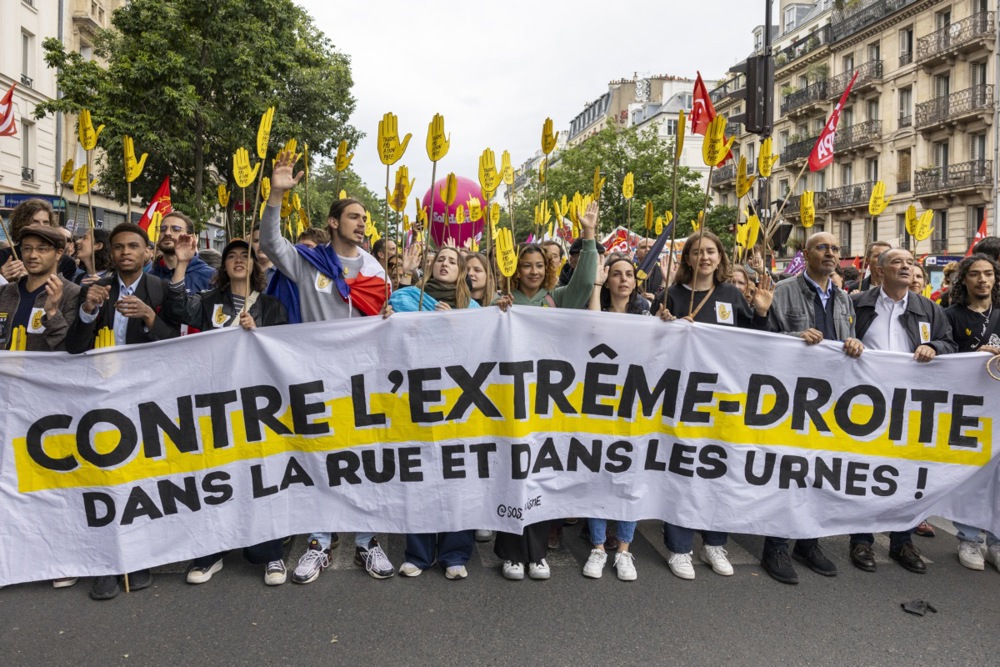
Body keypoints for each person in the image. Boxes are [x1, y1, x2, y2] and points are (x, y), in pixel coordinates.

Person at [260, 150, 394, 584]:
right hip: (316, 379)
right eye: (354, 216)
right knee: (320, 460)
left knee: (365, 460)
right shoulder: (307, 263)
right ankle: (318, 542)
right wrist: (277, 195)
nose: (362, 223)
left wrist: (389, 317)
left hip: (364, 381)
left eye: (365, 218)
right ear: (334, 222)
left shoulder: (376, 272)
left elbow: (384, 322)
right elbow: (270, 244)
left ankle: (367, 541)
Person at [164, 234, 290, 585]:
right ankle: (211, 553)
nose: (238, 260)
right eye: (231, 255)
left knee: (260, 476)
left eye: (244, 255)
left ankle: (270, 553)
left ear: (255, 265)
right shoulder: (208, 302)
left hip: (255, 405)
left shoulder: (271, 307)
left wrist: (259, 332)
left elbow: (284, 351)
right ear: (223, 266)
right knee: (215, 477)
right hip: (214, 403)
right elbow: (175, 309)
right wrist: (182, 264)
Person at [65, 222, 181, 599]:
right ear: (110, 253)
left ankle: (138, 558)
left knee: (140, 481)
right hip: (101, 398)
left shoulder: (161, 290)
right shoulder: (94, 289)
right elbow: (74, 347)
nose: (126, 252)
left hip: (146, 398)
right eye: (118, 247)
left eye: (133, 246)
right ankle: (108, 563)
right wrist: (87, 310)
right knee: (105, 480)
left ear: (148, 252)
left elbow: (178, 349)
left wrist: (149, 316)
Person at [655, 230, 774, 581]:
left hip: (724, 398)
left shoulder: (731, 295)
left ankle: (714, 543)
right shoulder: (670, 296)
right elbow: (650, 345)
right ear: (687, 259)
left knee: (718, 469)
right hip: (681, 398)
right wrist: (666, 327)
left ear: (720, 257)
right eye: (697, 252)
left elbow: (756, 343)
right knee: (681, 471)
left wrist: (762, 313)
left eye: (711, 251)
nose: (705, 257)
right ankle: (679, 547)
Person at [493, 202, 599, 582]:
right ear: (515, 269)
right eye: (526, 265)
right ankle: (511, 553)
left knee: (539, 476)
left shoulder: (558, 298)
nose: (534, 271)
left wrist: (588, 235)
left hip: (546, 401)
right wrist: (496, 311)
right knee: (511, 475)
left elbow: (585, 282)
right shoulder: (501, 302)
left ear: (548, 269)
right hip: (509, 402)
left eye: (540, 265)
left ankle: (536, 554)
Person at [760, 232, 864, 584]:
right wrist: (796, 338)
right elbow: (761, 340)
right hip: (791, 397)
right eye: (823, 248)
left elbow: (847, 340)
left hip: (830, 400)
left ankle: (808, 543)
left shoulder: (844, 298)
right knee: (788, 473)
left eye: (835, 248)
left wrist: (854, 343)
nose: (831, 253)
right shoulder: (783, 290)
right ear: (806, 254)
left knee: (820, 472)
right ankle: (775, 546)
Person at [848, 248, 956, 574]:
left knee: (906, 475)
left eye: (910, 263)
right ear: (880, 271)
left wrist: (933, 347)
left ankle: (902, 541)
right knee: (865, 473)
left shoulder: (929, 309)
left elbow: (949, 343)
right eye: (898, 262)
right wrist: (849, 343)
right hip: (866, 405)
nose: (906, 267)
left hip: (910, 406)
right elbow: (838, 339)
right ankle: (861, 540)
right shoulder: (858, 304)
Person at [383, 246, 478, 580]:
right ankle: (418, 554)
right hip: (418, 398)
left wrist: (456, 325)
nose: (445, 264)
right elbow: (397, 336)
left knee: (458, 479)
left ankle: (455, 554)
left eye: (452, 261)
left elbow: (481, 349)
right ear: (431, 266)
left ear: (462, 271)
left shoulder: (473, 309)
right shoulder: (406, 297)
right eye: (440, 260)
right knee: (420, 477)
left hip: (459, 402)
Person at [579, 254, 649, 582]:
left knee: (630, 480)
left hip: (635, 406)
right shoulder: (599, 312)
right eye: (616, 274)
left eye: (629, 274)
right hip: (599, 406)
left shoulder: (647, 316)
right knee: (598, 476)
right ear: (607, 281)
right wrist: (595, 284)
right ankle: (597, 547)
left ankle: (623, 550)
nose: (623, 279)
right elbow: (594, 326)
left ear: (636, 281)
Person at [944, 254, 1000, 571]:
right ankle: (968, 538)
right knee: (971, 476)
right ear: (963, 279)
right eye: (975, 274)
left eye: (988, 273)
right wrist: (972, 356)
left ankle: (996, 540)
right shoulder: (950, 316)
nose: (983, 279)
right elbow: (943, 356)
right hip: (967, 408)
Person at [0, 225, 81, 353]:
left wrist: (52, 313)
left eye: (41, 249)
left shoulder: (72, 294)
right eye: (27, 248)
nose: (33, 255)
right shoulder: (4, 292)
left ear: (59, 253)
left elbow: (68, 349)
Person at [1, 199, 78, 282]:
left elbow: (65, 289)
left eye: (46, 222)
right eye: (35, 222)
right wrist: (1, 277)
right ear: (21, 224)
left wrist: (32, 280)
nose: (41, 226)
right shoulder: (3, 256)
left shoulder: (65, 262)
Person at [147, 211, 215, 294]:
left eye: (176, 229)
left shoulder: (211, 276)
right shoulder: (147, 278)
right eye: (163, 229)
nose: (167, 233)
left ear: (191, 237)